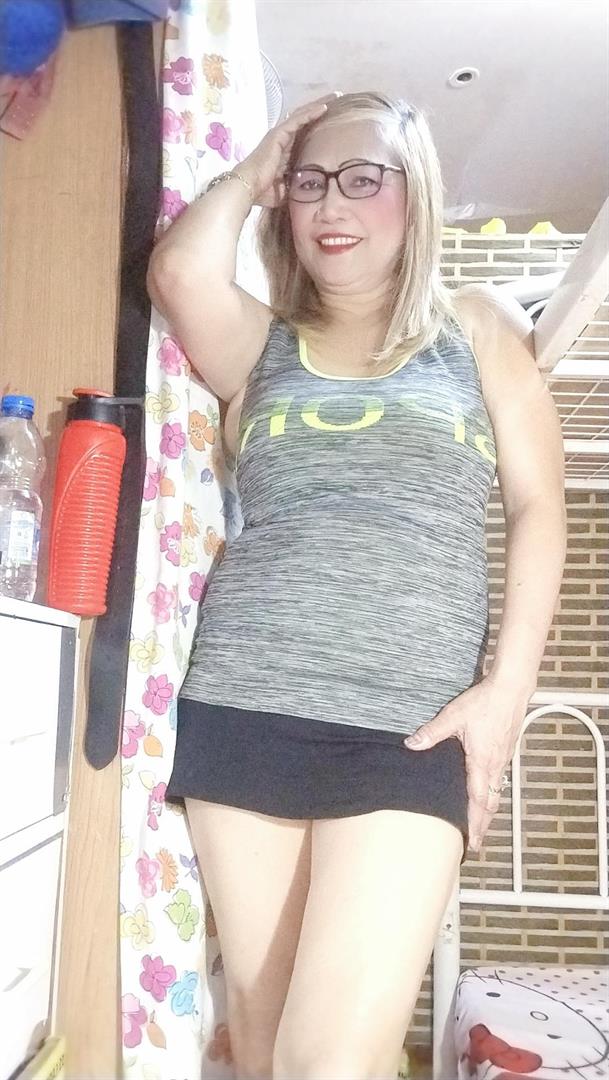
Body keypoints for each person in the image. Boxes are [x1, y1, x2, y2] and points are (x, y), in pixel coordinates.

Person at [147, 91, 566, 1080]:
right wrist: (260, 165)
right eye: (311, 182)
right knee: (263, 1045)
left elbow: (538, 505)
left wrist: (505, 694)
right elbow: (178, 272)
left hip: (409, 728)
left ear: (414, 194)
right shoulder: (262, 344)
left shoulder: (476, 328)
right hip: (246, 703)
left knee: (326, 1059)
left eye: (363, 178)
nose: (332, 203)